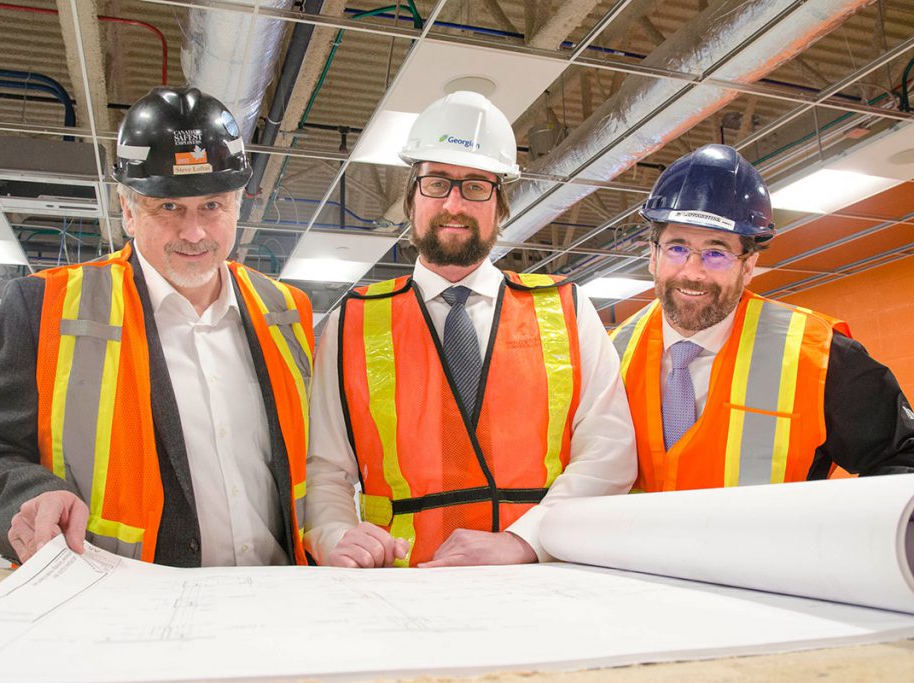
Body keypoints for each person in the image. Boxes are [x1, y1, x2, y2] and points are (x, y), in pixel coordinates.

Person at [0, 86, 314, 567]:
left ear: (238, 206)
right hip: (120, 603)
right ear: (128, 211)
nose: (194, 232)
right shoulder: (46, 307)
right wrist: (26, 496)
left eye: (212, 206)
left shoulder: (286, 311)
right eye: (169, 207)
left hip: (280, 594)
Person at [304, 91, 637, 568]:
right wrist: (336, 535)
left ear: (500, 204)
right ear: (411, 196)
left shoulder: (566, 309)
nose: (455, 203)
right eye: (437, 183)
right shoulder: (351, 321)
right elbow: (325, 472)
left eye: (476, 186)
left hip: (539, 579)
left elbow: (610, 452)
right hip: (403, 581)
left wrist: (524, 542)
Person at [611, 144, 914, 492]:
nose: (693, 272)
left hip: (770, 548)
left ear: (749, 265)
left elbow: (902, 457)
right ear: (653, 255)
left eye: (716, 252)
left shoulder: (818, 356)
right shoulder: (608, 356)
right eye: (677, 248)